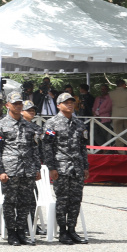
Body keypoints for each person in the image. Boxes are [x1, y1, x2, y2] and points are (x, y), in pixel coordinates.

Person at [0, 92, 42, 246]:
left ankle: (21, 231)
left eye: (20, 103)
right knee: (10, 202)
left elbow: (34, 149)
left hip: (27, 170)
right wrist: (0, 171)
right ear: (8, 105)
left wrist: (37, 168)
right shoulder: (0, 125)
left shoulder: (29, 126)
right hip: (10, 170)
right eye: (15, 103)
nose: (18, 106)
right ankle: (11, 232)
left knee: (25, 202)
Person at [43, 92, 89, 244]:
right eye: (66, 102)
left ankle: (72, 230)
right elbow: (47, 147)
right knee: (62, 200)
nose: (70, 104)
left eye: (71, 102)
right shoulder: (51, 123)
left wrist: (85, 167)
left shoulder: (79, 124)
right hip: (61, 167)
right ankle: (62, 231)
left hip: (77, 168)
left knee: (75, 200)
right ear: (58, 105)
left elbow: (83, 147)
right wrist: (51, 167)